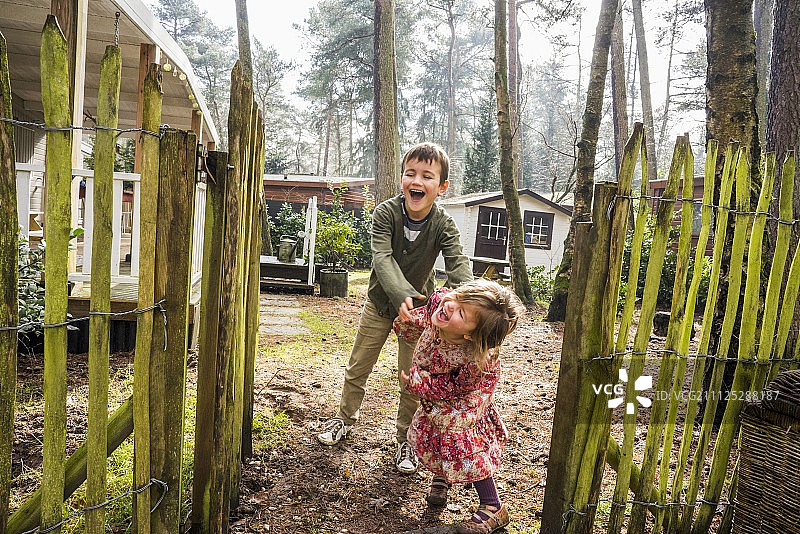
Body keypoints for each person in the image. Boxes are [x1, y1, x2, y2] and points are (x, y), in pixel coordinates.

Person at [316, 142, 473, 474]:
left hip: (418, 317)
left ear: (441, 187)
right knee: (358, 367)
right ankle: (343, 419)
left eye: (427, 176)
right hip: (379, 305)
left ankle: (406, 441)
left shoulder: (443, 224)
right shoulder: (385, 213)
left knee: (411, 379)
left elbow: (458, 266)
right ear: (402, 178)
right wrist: (402, 293)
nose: (417, 181)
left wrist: (456, 299)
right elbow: (382, 258)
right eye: (410, 173)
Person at [394, 279, 524, 533]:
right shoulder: (441, 303)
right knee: (432, 426)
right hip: (437, 381)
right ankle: (443, 477)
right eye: (457, 296)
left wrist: (421, 384)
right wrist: (408, 318)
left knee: (457, 436)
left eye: (461, 312)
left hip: (467, 395)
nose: (450, 305)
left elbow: (454, 389)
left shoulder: (477, 359)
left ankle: (493, 506)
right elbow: (420, 323)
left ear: (469, 334)